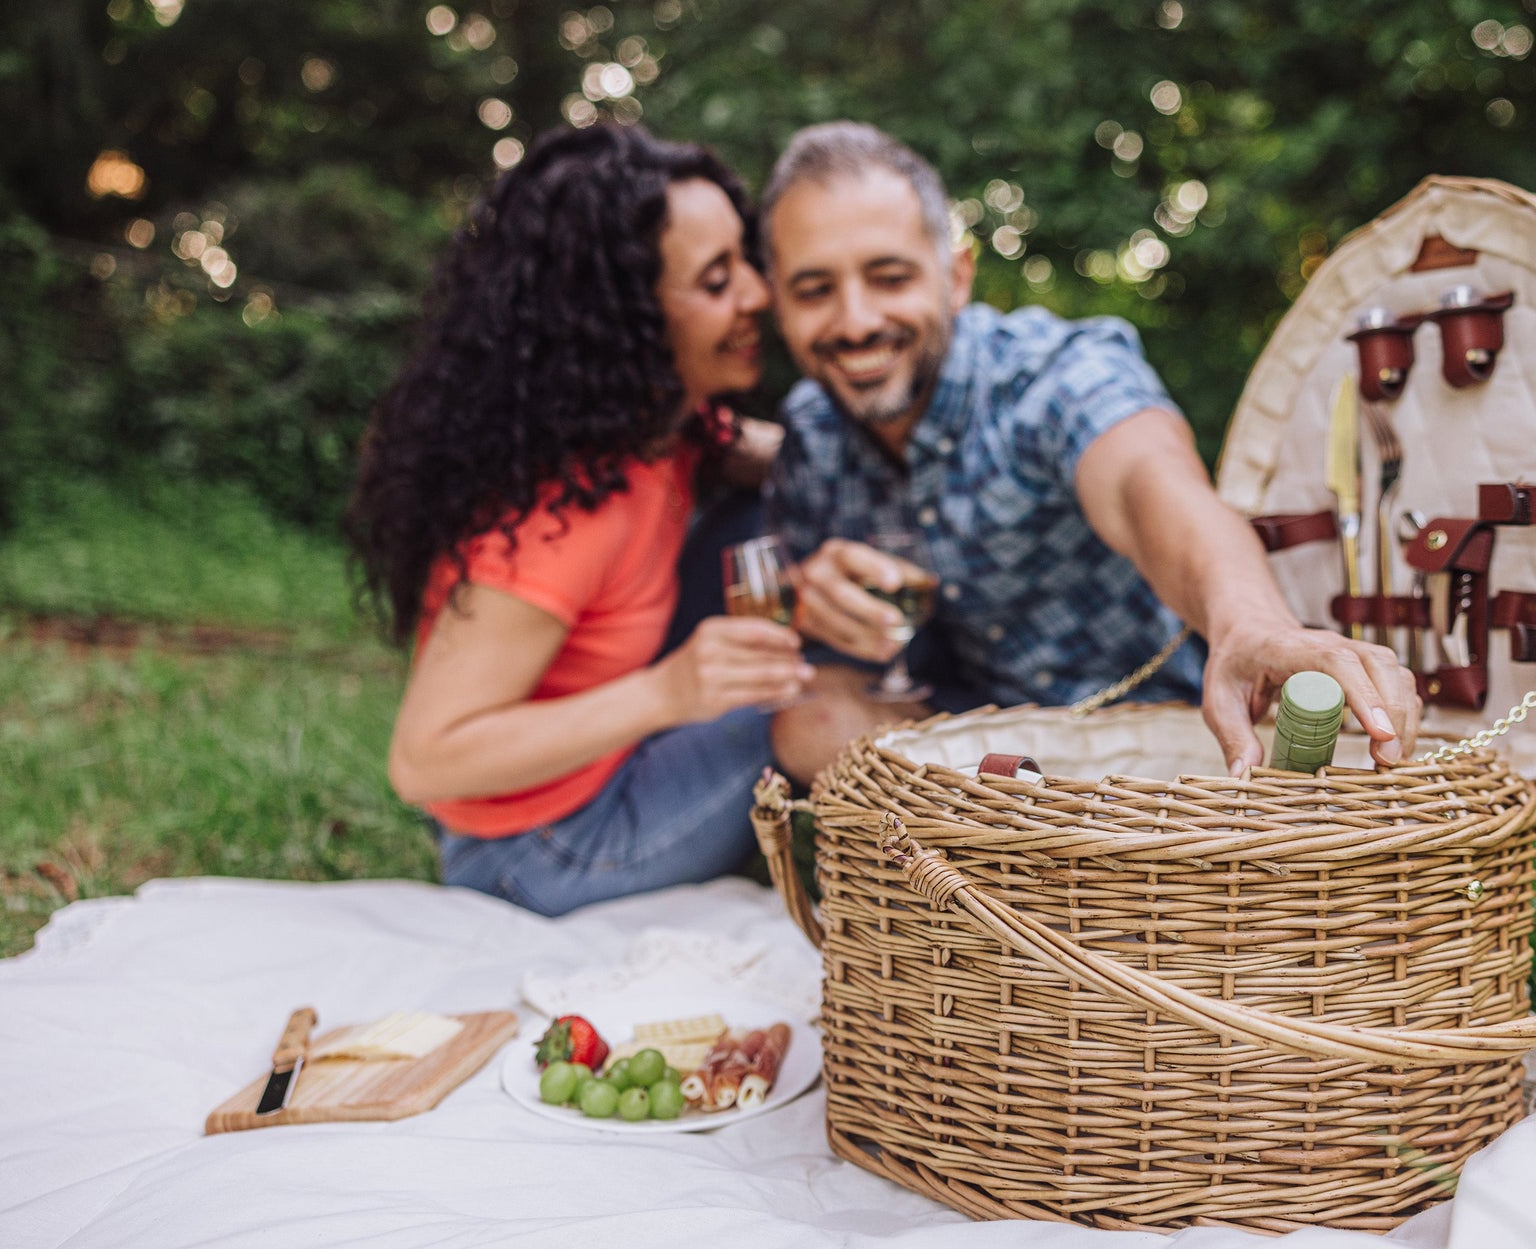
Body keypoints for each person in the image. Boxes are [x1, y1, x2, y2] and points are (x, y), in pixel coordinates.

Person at [761, 122, 1420, 783]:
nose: (855, 321)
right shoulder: (812, 434)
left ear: (955, 277)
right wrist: (805, 601)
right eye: (815, 290)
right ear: (777, 301)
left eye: (889, 277)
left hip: (1158, 744)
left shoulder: (1056, 376)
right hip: (983, 745)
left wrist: (1247, 623)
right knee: (810, 720)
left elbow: (1149, 482)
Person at [346, 124, 811, 916]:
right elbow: (423, 760)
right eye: (716, 280)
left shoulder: (662, 432)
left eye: (746, 261)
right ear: (626, 316)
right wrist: (669, 692)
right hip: (538, 857)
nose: (758, 296)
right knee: (817, 697)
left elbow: (791, 456)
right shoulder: (556, 518)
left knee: (785, 506)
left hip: (596, 783)